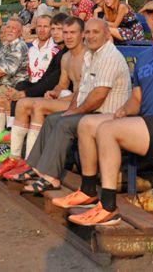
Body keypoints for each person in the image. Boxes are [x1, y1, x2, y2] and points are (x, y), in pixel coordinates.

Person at [58, 0, 153, 225]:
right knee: (87, 124)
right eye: (150, 13)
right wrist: (123, 111)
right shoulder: (144, 58)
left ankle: (108, 207)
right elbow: (137, 98)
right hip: (150, 124)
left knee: (107, 131)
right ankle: (87, 190)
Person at [21, 18, 131, 194]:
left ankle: (51, 177)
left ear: (107, 34)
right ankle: (37, 168)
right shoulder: (92, 55)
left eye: (96, 32)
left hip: (109, 115)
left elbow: (98, 96)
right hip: (94, 112)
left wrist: (74, 113)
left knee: (65, 123)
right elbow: (82, 91)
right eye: (88, 32)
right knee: (52, 119)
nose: (91, 36)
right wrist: (71, 110)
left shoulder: (110, 56)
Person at [0, 15, 85, 179]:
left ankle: (30, 162)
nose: (67, 36)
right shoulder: (65, 56)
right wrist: (54, 92)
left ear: (82, 34)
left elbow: (85, 90)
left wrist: (57, 95)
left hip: (81, 101)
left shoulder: (87, 55)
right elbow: (61, 83)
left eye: (71, 32)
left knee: (36, 105)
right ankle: (15, 157)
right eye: (65, 32)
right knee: (22, 104)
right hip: (67, 97)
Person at [0, 14, 59, 148]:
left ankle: (8, 145)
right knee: (2, 98)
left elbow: (50, 80)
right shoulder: (30, 47)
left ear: (52, 29)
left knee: (10, 100)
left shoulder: (55, 48)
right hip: (28, 86)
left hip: (43, 90)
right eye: (39, 26)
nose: (42, 30)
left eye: (46, 26)